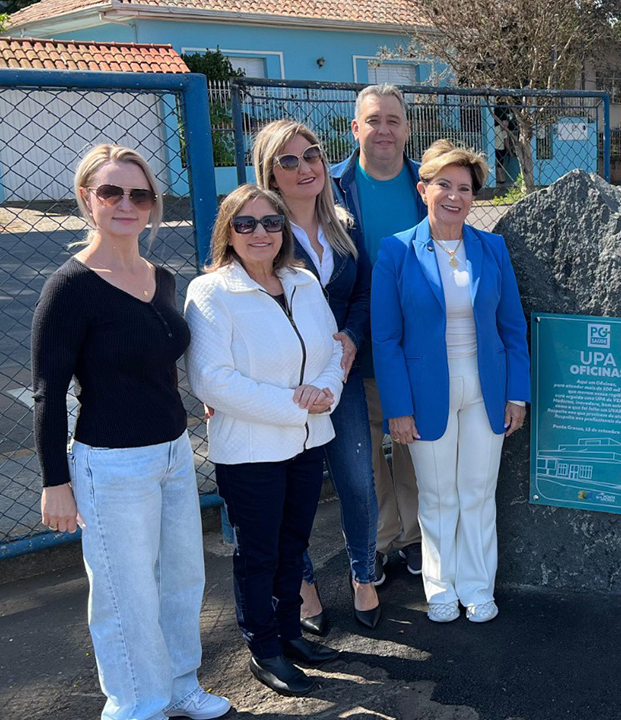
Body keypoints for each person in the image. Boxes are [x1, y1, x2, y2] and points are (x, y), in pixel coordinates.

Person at [32, 144, 230, 720]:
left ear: (151, 206)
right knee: (125, 595)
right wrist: (56, 483)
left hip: (172, 453)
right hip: (110, 464)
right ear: (86, 200)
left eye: (139, 194)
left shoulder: (160, 278)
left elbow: (164, 362)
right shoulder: (69, 287)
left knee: (181, 579)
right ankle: (134, 704)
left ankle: (178, 685)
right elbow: (47, 392)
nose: (126, 204)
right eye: (111, 192)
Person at [185, 184, 345, 696]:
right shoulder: (211, 292)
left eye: (271, 222)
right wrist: (295, 405)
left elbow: (331, 349)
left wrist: (327, 392)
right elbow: (213, 380)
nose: (260, 233)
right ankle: (264, 648)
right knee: (259, 554)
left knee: (294, 545)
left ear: (284, 231)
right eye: (246, 223)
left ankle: (290, 634)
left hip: (307, 440)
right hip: (251, 451)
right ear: (227, 232)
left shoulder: (303, 282)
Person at [371, 140, 530, 624]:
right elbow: (385, 338)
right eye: (444, 185)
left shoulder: (492, 248)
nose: (455, 196)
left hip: (486, 389)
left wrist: (517, 394)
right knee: (438, 497)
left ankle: (479, 586)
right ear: (424, 190)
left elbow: (512, 326)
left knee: (479, 493)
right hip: (424, 397)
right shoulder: (396, 250)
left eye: (465, 188)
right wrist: (398, 407)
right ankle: (440, 588)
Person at [252, 119, 381, 634]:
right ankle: (304, 587)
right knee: (293, 491)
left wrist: (350, 337)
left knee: (357, 480)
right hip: (283, 384)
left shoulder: (344, 225)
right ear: (270, 173)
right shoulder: (260, 230)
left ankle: (364, 577)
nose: (305, 168)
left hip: (338, 377)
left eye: (312, 155)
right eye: (288, 160)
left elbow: (363, 293)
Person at [331, 83, 429, 579]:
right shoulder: (330, 188)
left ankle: (412, 537)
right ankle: (381, 538)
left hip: (414, 346)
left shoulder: (426, 186)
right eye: (373, 120)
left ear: (407, 129)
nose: (383, 130)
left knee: (411, 444)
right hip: (352, 341)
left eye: (393, 120)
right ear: (355, 128)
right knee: (365, 450)